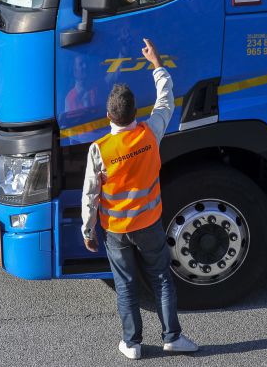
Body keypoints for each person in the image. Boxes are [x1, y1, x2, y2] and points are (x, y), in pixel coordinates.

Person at [81, 38, 199, 360]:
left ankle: (131, 343)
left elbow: (90, 195)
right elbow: (166, 102)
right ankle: (172, 336)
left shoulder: (100, 150)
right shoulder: (151, 134)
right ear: (135, 112)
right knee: (161, 278)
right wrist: (157, 64)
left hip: (116, 230)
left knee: (126, 285)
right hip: (149, 224)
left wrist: (87, 230)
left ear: (108, 114)